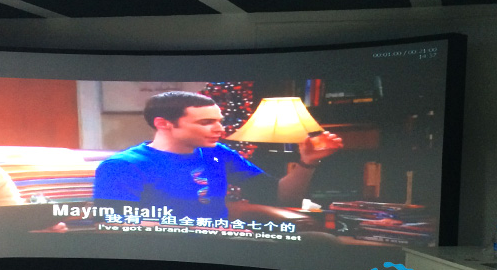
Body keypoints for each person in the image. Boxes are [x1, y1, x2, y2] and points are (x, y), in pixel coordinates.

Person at [94, 91, 343, 220]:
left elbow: (279, 196)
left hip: (222, 245)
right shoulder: (123, 166)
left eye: (219, 121)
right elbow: (114, 225)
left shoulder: (217, 153)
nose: (220, 129)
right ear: (163, 123)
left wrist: (307, 162)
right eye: (206, 122)